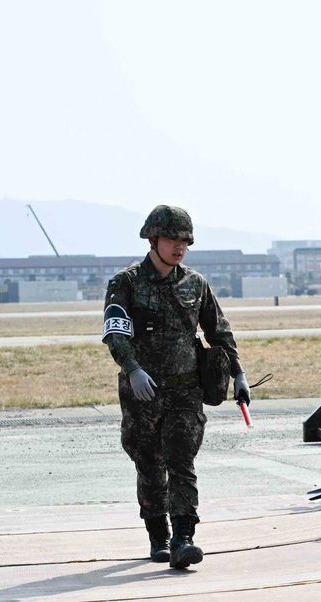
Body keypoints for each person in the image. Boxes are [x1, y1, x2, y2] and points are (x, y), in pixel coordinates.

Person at [101, 205, 249, 569]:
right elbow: (115, 334)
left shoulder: (195, 284)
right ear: (153, 239)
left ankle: (184, 537)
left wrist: (240, 373)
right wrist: (132, 369)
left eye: (185, 240)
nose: (179, 247)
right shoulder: (126, 283)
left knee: (182, 462)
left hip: (186, 390)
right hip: (143, 394)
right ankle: (158, 537)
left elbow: (218, 331)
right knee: (150, 464)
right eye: (172, 239)